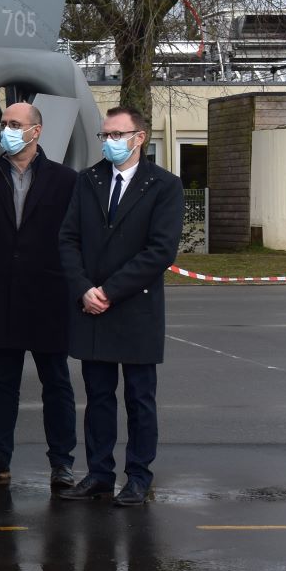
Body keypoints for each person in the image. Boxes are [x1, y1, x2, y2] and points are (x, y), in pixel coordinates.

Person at [58, 107, 184, 507]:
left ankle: (138, 476)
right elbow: (68, 239)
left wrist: (109, 291)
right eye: (105, 134)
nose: (109, 141)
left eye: (117, 133)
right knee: (98, 397)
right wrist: (83, 290)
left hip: (134, 309)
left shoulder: (164, 186)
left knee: (139, 399)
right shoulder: (88, 180)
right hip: (91, 307)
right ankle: (98, 473)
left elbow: (160, 251)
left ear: (139, 137)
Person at [0, 103, 80, 490]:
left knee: (56, 382)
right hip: (1, 295)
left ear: (37, 131)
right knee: (3, 381)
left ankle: (62, 462)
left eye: (15, 124)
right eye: (4, 123)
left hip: (49, 296)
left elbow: (73, 237)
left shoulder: (65, 181)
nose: (7, 130)